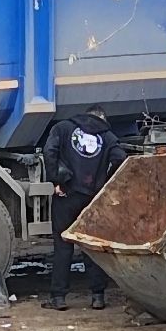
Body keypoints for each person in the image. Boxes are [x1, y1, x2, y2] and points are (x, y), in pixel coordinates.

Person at [40, 105, 125, 311]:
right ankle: (98, 296)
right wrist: (106, 182)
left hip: (66, 194)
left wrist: (56, 180)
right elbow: (120, 159)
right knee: (91, 246)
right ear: (102, 119)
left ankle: (58, 298)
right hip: (92, 197)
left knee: (63, 245)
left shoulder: (63, 128)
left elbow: (48, 151)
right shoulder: (108, 136)